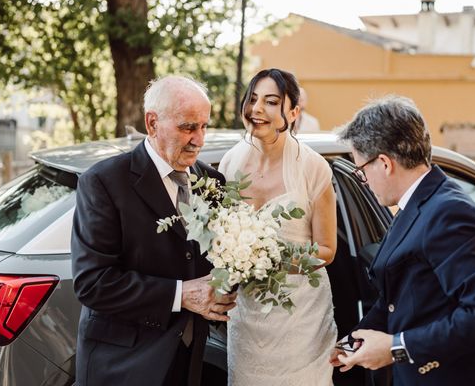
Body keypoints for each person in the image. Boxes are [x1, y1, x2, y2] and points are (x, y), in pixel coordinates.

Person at [331, 95, 475, 385]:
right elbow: (396, 297)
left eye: (361, 170)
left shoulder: (451, 214)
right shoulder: (413, 204)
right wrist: (352, 342)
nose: (362, 181)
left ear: (385, 163)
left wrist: (395, 348)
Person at [71, 76, 237, 386]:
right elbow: (92, 283)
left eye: (204, 126)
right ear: (152, 123)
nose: (199, 139)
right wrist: (180, 295)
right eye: (188, 127)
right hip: (123, 365)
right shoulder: (104, 182)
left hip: (192, 359)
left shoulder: (213, 183)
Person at [219, 68, 338, 385]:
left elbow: (326, 251)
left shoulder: (313, 168)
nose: (257, 109)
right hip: (246, 317)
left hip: (300, 321)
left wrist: (271, 257)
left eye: (271, 102)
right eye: (253, 99)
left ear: (294, 112)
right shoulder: (230, 163)